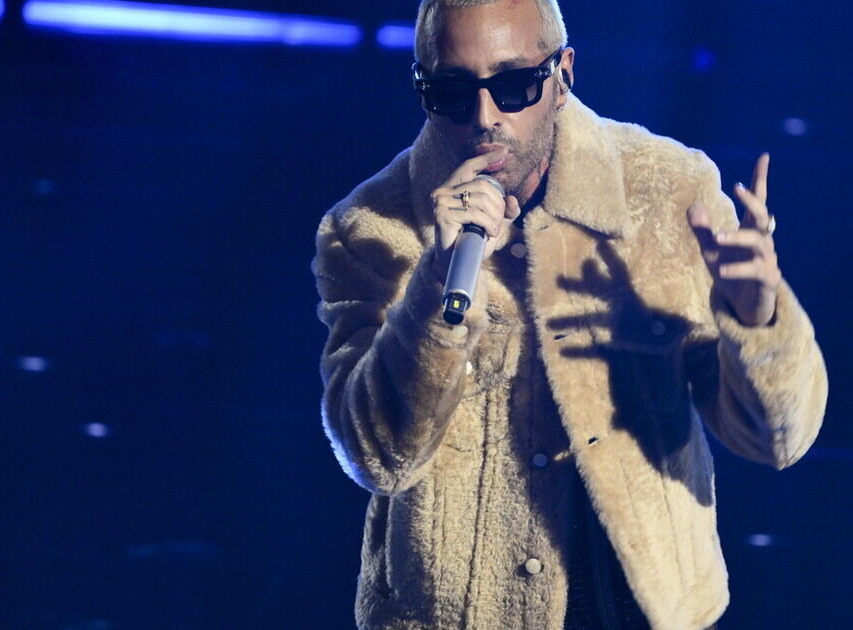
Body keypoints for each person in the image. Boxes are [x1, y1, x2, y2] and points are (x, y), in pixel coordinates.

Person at [312, 1, 827, 628]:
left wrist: (759, 320)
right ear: (424, 90)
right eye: (452, 91)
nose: (485, 116)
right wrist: (436, 287)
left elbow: (779, 439)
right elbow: (378, 457)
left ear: (563, 76)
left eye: (513, 85)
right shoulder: (368, 230)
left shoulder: (668, 192)